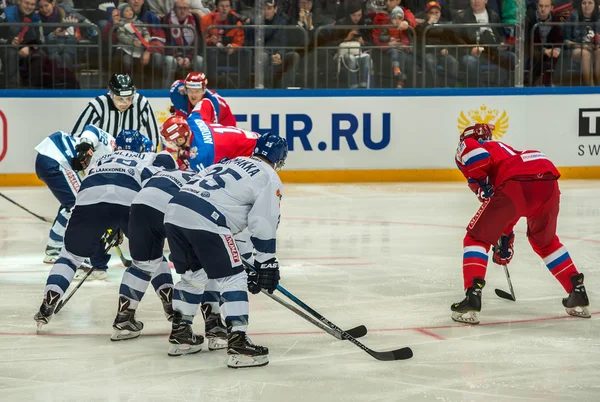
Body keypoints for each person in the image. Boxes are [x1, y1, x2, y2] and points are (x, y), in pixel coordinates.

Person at [163, 132, 288, 367]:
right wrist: (266, 261)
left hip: (175, 211)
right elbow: (263, 222)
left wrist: (249, 258)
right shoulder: (268, 176)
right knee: (234, 278)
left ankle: (181, 336)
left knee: (194, 275)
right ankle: (239, 343)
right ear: (279, 159)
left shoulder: (229, 161)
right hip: (207, 217)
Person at [451, 123, 591, 324]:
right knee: (546, 242)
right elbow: (513, 205)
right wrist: (506, 238)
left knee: (476, 238)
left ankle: (472, 297)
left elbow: (478, 158)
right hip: (547, 179)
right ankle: (577, 291)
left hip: (515, 183)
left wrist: (482, 184)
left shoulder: (468, 144)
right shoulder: (503, 149)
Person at [34, 144, 176, 331]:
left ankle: (48, 302)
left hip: (88, 200)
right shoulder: (152, 156)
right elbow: (160, 182)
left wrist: (110, 224)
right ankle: (170, 305)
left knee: (69, 257)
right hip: (130, 201)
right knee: (151, 256)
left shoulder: (103, 157)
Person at [35, 125, 116, 266]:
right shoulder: (113, 147)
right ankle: (87, 255)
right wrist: (86, 143)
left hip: (51, 158)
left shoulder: (115, 158)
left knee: (72, 204)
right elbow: (92, 129)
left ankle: (54, 247)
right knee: (82, 207)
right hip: (58, 157)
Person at [71, 73, 161, 149]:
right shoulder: (97, 105)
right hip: (101, 159)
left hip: (131, 158)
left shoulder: (141, 103)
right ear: (111, 92)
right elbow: (77, 135)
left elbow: (153, 136)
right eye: (120, 99)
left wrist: (148, 156)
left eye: (129, 98)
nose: (124, 103)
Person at [160, 115, 256, 172]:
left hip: (257, 155)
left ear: (181, 139)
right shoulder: (193, 119)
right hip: (255, 138)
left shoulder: (201, 156)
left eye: (172, 142)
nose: (171, 145)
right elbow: (206, 102)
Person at [169, 71, 236, 126]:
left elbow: (208, 135)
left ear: (204, 90)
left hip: (225, 129)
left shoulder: (213, 104)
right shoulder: (176, 93)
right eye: (190, 90)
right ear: (185, 90)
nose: (193, 95)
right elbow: (176, 84)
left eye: (197, 91)